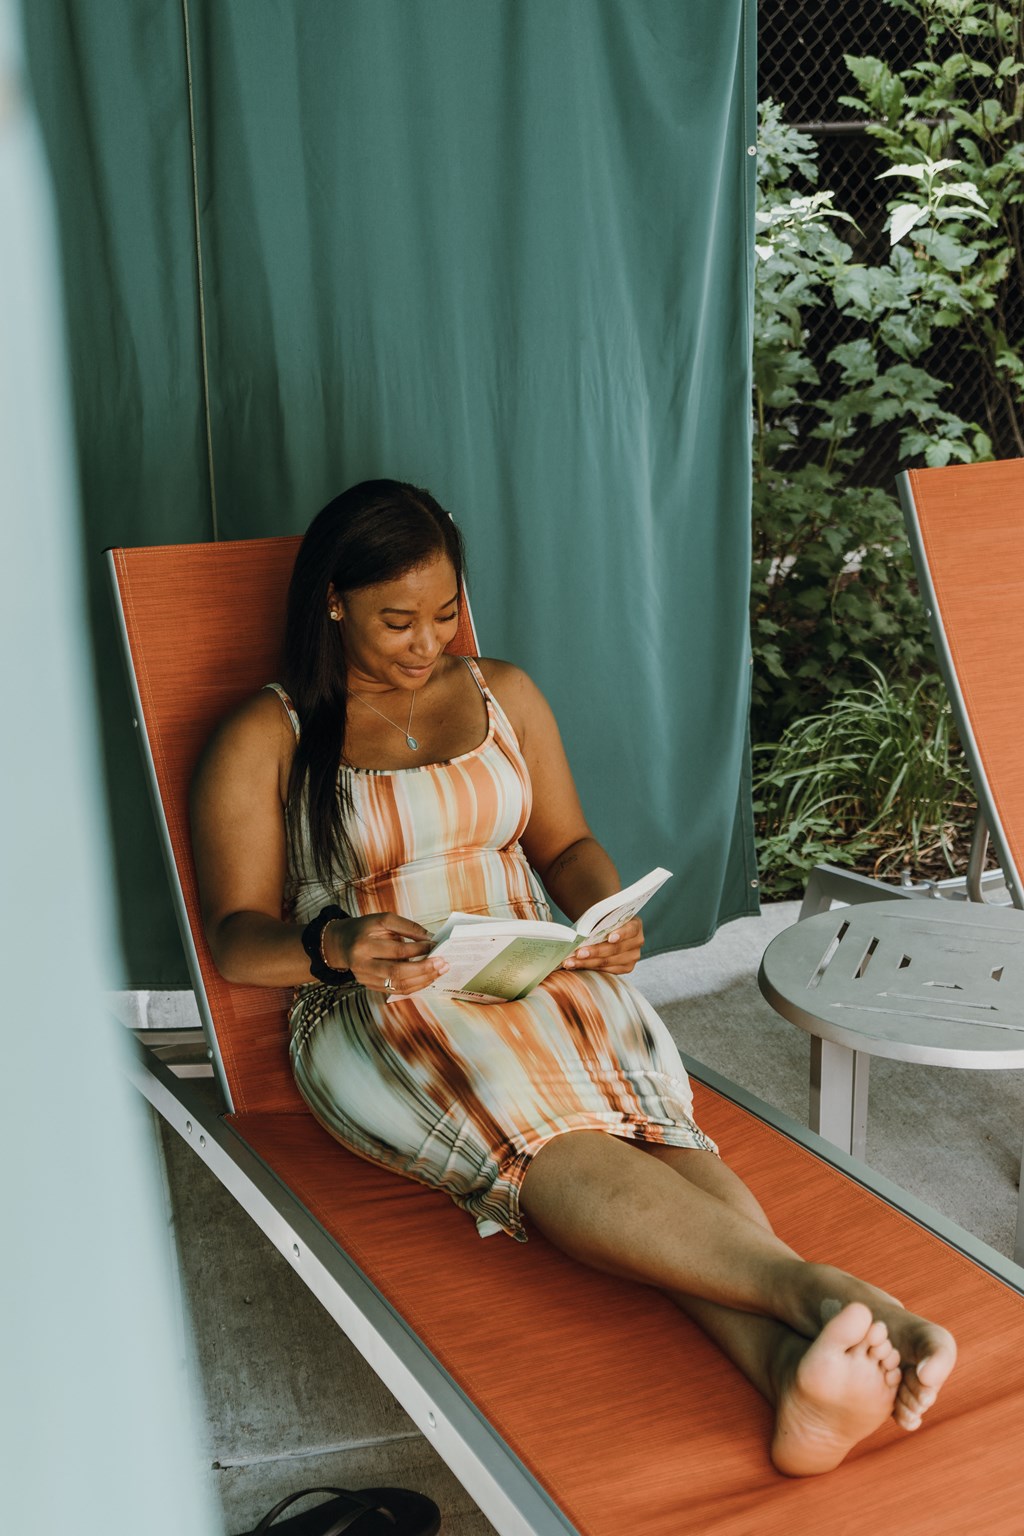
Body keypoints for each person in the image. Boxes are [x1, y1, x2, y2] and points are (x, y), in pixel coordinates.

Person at [191, 478, 956, 1477]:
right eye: (396, 621)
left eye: (445, 611)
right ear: (331, 602)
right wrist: (339, 943)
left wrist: (605, 917)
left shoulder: (501, 691)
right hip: (386, 1002)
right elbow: (236, 938)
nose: (429, 643)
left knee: (652, 1130)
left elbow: (567, 845)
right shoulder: (271, 733)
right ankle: (820, 1293)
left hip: (530, 966)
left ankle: (788, 1377)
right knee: (542, 1122)